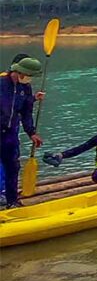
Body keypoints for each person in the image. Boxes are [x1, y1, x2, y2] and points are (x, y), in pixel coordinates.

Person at [0, 55, 44, 208]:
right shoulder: (1, 84)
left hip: (10, 134)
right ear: (20, 72)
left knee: (13, 166)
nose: (30, 79)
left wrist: (31, 132)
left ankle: (12, 201)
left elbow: (26, 112)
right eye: (29, 76)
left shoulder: (24, 87)